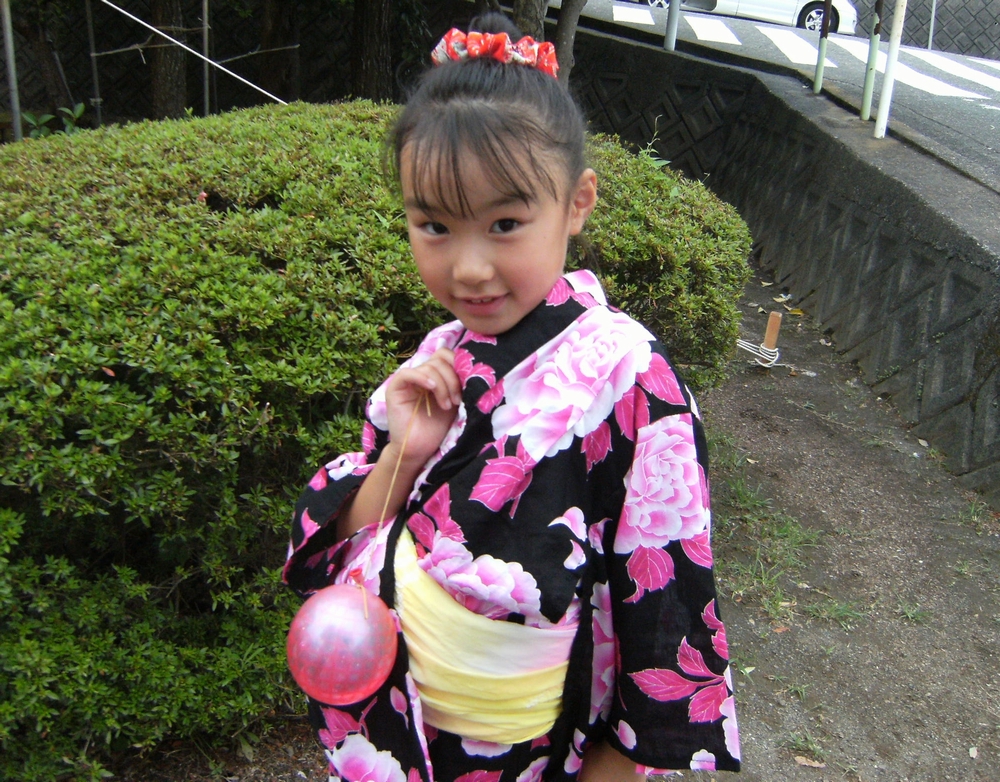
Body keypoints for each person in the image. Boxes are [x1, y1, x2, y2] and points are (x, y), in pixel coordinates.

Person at [283, 12, 740, 782]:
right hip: (394, 723)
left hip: (522, 754)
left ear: (577, 202)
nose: (468, 268)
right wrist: (404, 454)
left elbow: (665, 607)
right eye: (434, 225)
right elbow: (351, 539)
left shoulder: (632, 377)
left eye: (504, 223)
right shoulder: (441, 354)